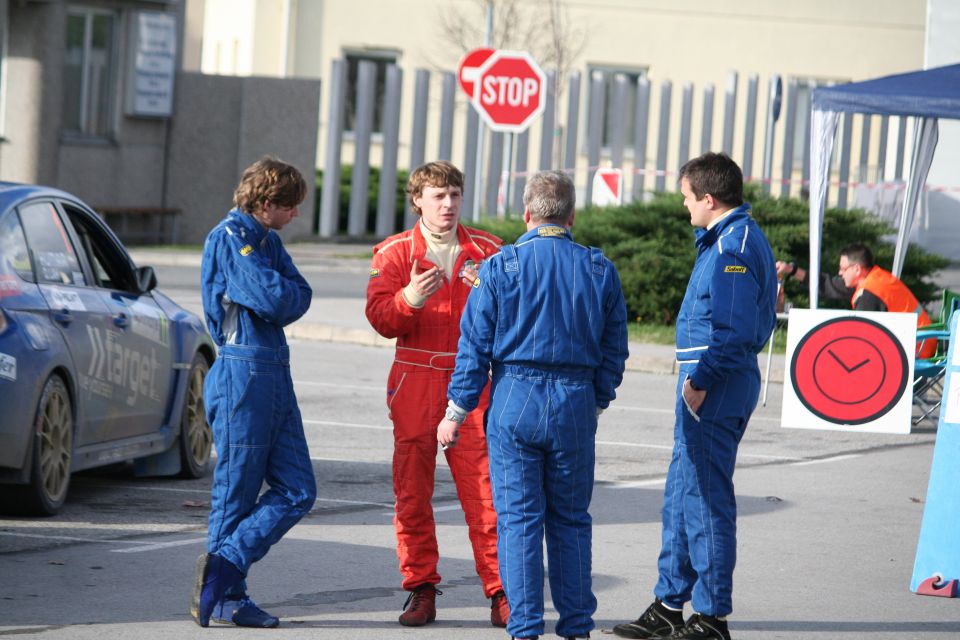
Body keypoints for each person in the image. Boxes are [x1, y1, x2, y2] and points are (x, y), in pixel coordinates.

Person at [437, 170, 629, 640]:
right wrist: (597, 399)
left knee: (519, 520)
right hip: (574, 398)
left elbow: (473, 347)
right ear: (572, 217)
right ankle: (577, 626)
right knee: (570, 519)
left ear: (527, 215)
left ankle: (524, 628)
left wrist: (455, 411)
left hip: (514, 398)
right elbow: (615, 347)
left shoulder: (499, 267)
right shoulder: (600, 268)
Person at [613, 153, 777, 640]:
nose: (684, 206)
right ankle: (669, 605)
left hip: (716, 383)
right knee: (683, 496)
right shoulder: (724, 238)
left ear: (708, 199)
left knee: (705, 500)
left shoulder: (732, 246)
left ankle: (710, 616)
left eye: (687, 197)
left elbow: (733, 331)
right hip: (711, 380)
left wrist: (700, 381)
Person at [365, 160, 510, 628]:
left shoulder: (488, 250)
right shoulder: (392, 253)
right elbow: (380, 319)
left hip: (471, 383)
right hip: (415, 380)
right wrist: (408, 298)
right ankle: (420, 589)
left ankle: (501, 590)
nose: (447, 204)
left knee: (485, 493)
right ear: (417, 200)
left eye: (454, 195)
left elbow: (510, 318)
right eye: (438, 195)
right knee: (412, 493)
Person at [190, 156, 316, 629]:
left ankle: (224, 567)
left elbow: (299, 295)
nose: (295, 215)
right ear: (267, 203)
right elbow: (275, 298)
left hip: (274, 370)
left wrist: (278, 293)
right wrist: (276, 294)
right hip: (243, 371)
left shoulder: (267, 239)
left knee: (299, 488)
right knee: (237, 491)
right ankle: (226, 595)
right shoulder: (229, 238)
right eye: (291, 206)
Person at [776, 243, 935, 358]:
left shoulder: (870, 294)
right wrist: (792, 270)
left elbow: (861, 339)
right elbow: (827, 284)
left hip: (916, 351)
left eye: (843, 269)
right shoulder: (873, 278)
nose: (839, 272)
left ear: (857, 269)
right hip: (920, 345)